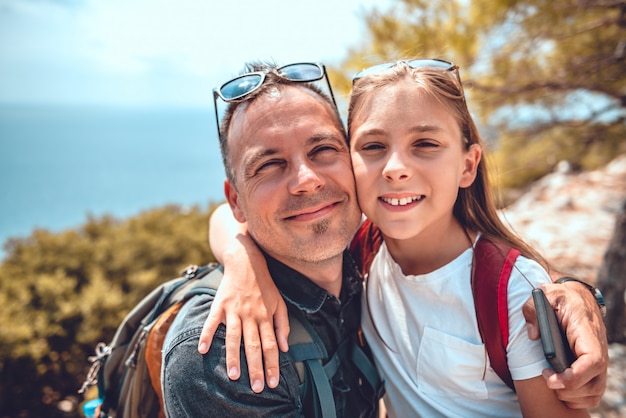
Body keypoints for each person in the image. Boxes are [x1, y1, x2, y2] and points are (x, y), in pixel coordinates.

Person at [202, 59, 609, 416]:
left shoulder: (510, 294)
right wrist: (243, 265)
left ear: (468, 166)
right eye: (374, 146)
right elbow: (228, 215)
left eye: (426, 144)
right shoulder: (362, 246)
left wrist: (576, 291)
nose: (396, 167)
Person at [161, 61, 383, 417]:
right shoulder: (222, 356)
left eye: (323, 149)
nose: (306, 179)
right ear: (236, 202)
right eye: (268, 165)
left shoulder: (377, 253)